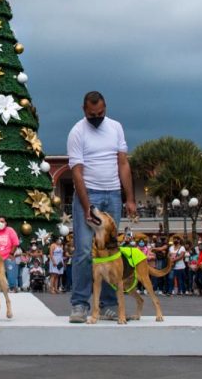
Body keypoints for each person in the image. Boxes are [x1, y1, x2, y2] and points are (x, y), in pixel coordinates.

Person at [67, 91, 137, 323]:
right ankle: (79, 303)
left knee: (110, 251)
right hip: (89, 194)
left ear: (105, 107)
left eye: (100, 113)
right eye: (92, 114)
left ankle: (109, 305)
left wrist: (130, 198)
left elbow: (123, 163)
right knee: (86, 250)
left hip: (113, 194)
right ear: (83, 110)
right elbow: (76, 172)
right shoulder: (77, 132)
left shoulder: (116, 127)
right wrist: (86, 205)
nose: (96, 117)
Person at [0, 216, 20, 292]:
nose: (0, 223)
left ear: (6, 223)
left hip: (7, 256)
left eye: (2, 221)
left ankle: (12, 287)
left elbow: (15, 243)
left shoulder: (10, 230)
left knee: (10, 264)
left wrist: (11, 254)